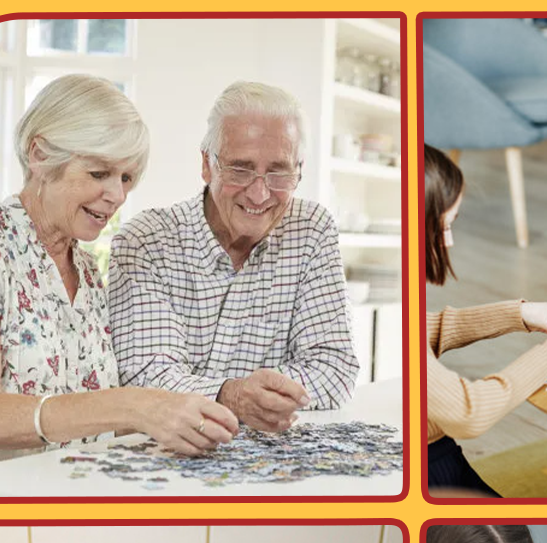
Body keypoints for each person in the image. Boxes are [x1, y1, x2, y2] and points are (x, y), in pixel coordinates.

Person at [0, 74, 239, 473]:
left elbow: (85, 422)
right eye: (99, 173)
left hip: (70, 492)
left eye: (126, 178)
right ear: (40, 155)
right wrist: (135, 405)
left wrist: (179, 422)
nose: (117, 196)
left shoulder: (87, 270)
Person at [108, 82, 359, 433]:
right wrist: (233, 396)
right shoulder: (147, 240)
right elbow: (147, 377)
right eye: (240, 169)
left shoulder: (312, 229)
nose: (259, 193)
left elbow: (334, 368)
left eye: (279, 171)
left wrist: (247, 397)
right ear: (207, 165)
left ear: (299, 170)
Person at [424, 145, 547, 495]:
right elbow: (469, 411)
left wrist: (520, 314)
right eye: (444, 227)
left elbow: (424, 330)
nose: (449, 241)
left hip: (437, 453)